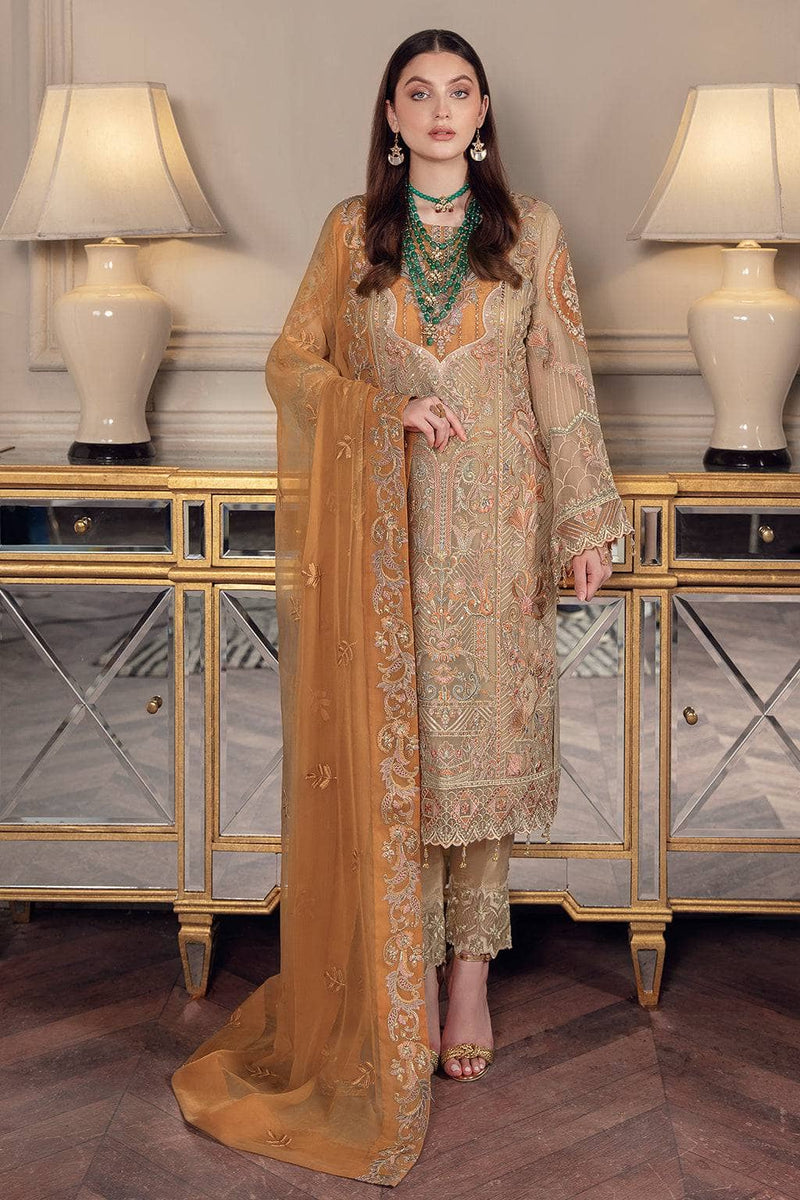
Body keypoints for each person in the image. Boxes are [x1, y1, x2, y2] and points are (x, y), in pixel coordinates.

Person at [171, 26, 634, 1188]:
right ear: (390, 114)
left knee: (479, 754)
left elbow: (559, 376)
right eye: (417, 92)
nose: (438, 109)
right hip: (380, 537)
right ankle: (404, 976)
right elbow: (292, 364)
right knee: (404, 755)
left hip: (495, 531)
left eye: (457, 91)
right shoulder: (350, 233)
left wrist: (584, 521)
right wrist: (383, 412)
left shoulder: (529, 232)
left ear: (481, 113)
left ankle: (467, 978)